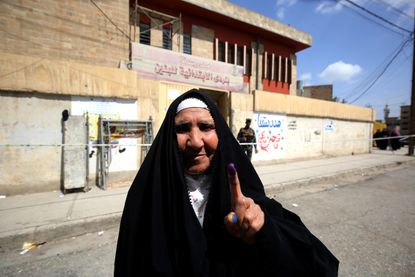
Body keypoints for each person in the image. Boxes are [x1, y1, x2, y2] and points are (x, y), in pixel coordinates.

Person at [114, 89, 339, 276]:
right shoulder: (147, 200)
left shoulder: (244, 196)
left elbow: (309, 259)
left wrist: (262, 231)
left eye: (205, 127)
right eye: (182, 129)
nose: (195, 141)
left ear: (220, 133)